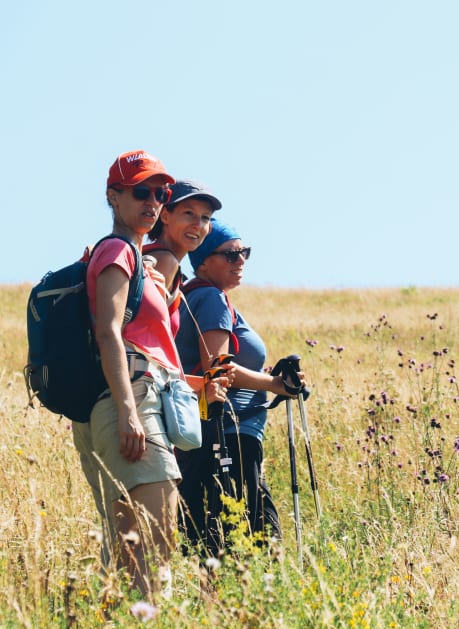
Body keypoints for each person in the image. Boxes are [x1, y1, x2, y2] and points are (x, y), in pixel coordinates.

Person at [73, 150, 227, 600]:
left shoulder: (142, 262)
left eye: (159, 194)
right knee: (157, 539)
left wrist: (197, 386)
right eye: (140, 192)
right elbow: (108, 333)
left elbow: (152, 352)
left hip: (141, 393)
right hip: (130, 400)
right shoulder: (118, 251)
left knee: (127, 547)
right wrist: (128, 411)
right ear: (113, 197)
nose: (152, 202)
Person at [175, 220, 304, 553]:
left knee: (213, 538)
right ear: (203, 261)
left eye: (244, 252)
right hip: (229, 433)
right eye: (230, 254)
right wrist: (276, 384)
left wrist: (269, 378)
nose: (241, 260)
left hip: (208, 433)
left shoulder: (197, 298)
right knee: (258, 541)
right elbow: (218, 369)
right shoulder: (212, 298)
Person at [144, 179, 223, 335]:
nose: (197, 224)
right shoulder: (164, 261)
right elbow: (146, 329)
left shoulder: (154, 255)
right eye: (189, 213)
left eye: (205, 217)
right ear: (164, 216)